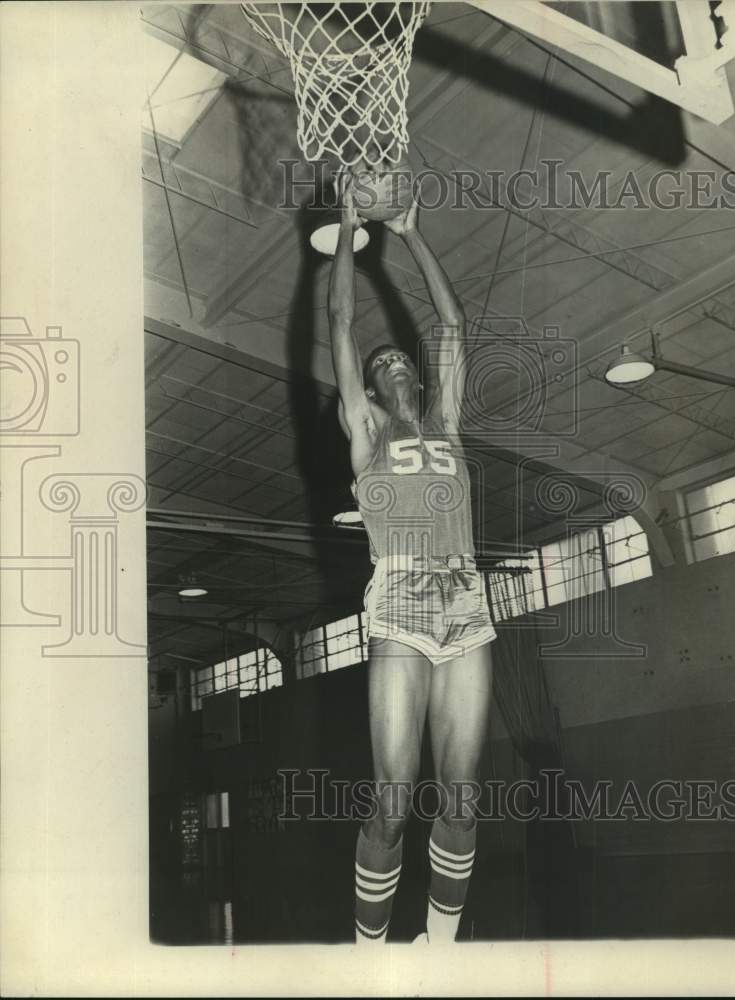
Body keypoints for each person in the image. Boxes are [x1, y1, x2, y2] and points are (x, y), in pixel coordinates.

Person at [327, 169, 496, 945]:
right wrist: (345, 230)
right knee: (393, 797)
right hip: (397, 601)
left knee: (460, 797)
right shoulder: (368, 436)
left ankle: (441, 948)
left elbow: (455, 325)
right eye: (380, 362)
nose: (392, 360)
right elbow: (340, 322)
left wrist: (412, 231)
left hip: (466, 599)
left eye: (400, 359)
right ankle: (369, 951)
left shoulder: (447, 428)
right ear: (360, 394)